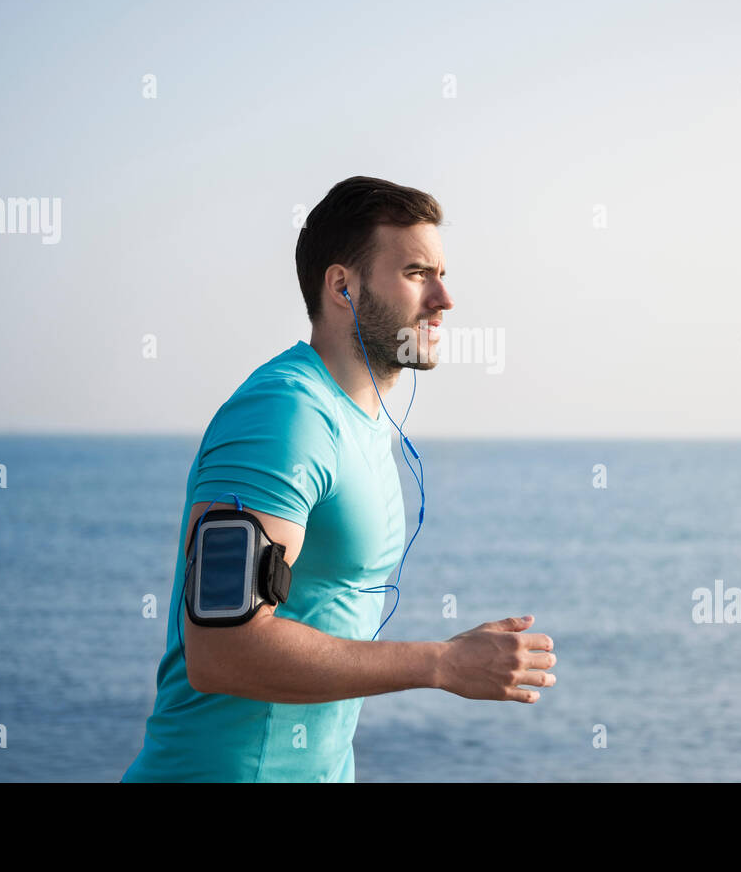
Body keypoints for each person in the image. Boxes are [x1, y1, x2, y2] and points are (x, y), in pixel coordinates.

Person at [121, 176, 557, 782]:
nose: (444, 298)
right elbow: (220, 652)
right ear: (342, 285)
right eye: (416, 274)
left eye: (441, 273)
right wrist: (441, 664)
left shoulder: (363, 421)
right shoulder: (283, 416)